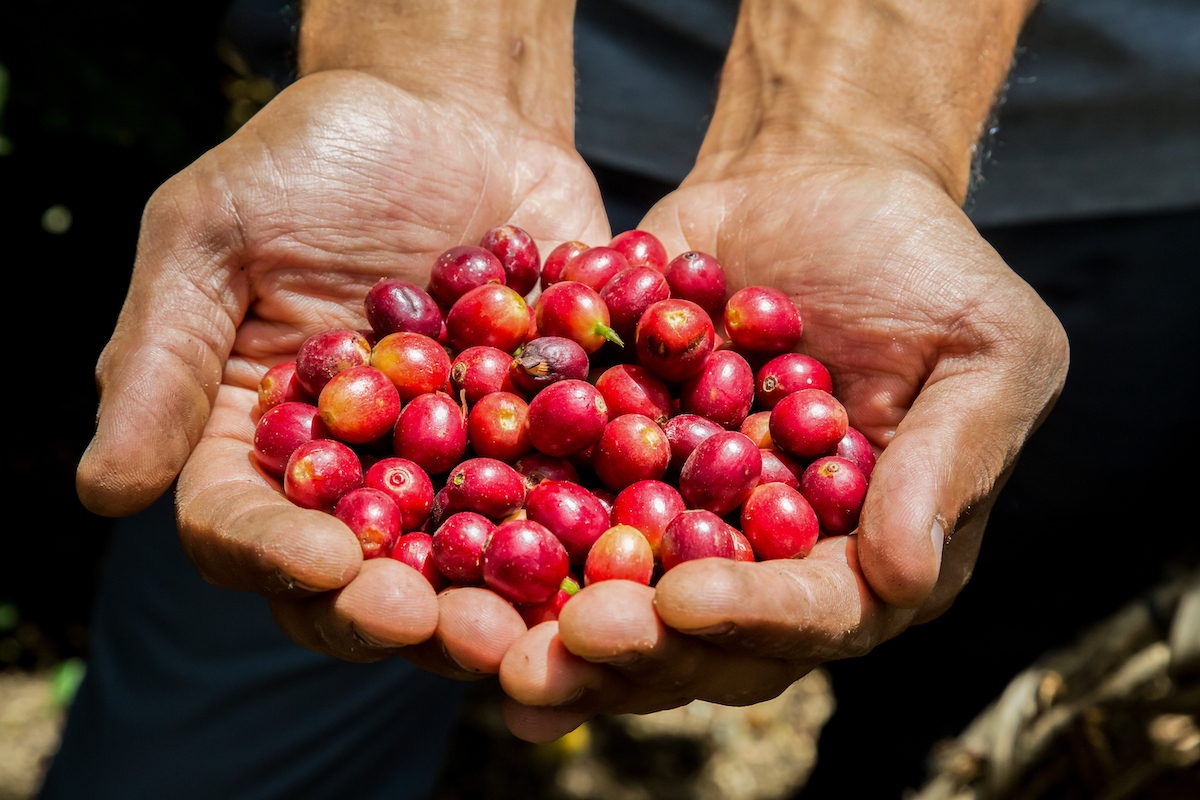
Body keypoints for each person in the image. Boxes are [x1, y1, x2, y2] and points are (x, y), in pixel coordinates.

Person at [52, 0, 1084, 795]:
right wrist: (418, 69)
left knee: (961, 681)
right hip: (566, 110)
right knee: (210, 734)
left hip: (1099, 181)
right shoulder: (493, 381)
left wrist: (859, 133)